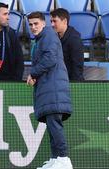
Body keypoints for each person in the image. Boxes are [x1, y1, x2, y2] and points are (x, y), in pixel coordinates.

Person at [26, 12, 73, 169]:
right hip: (49, 88)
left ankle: (64, 159)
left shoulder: (48, 36)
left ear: (43, 24)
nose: (33, 27)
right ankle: (56, 159)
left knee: (55, 124)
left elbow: (50, 59)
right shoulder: (42, 39)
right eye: (30, 24)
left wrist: (33, 73)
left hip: (53, 88)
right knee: (52, 124)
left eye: (36, 24)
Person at [50, 8, 84, 81]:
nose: (52, 24)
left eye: (55, 21)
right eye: (51, 21)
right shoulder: (54, 36)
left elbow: (77, 66)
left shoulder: (74, 39)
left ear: (65, 21)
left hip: (71, 82)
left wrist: (75, 86)